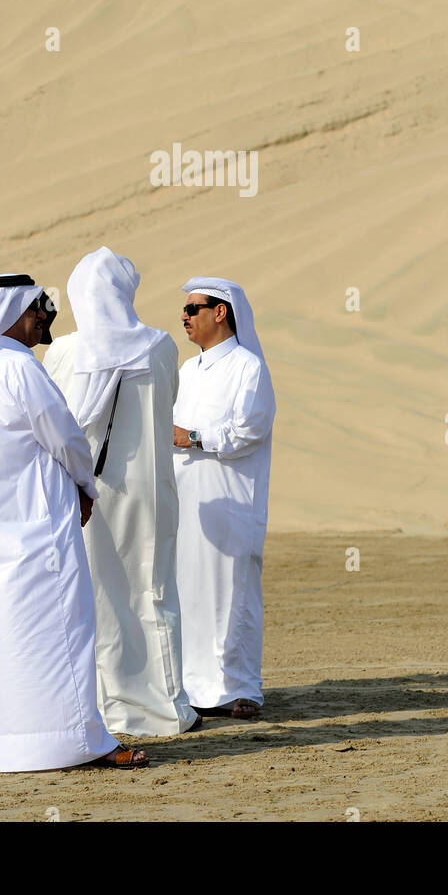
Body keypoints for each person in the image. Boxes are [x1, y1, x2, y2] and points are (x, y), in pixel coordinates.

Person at [0, 272, 147, 773]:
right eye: (39, 307)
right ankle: (79, 742)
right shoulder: (17, 368)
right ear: (14, 313)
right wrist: (87, 486)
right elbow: (65, 439)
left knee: (1, 635)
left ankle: (0, 746)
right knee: (61, 628)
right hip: (36, 528)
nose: (45, 316)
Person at [45, 247, 198, 737]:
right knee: (151, 591)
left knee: (94, 594)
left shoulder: (63, 351)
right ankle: (164, 706)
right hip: (148, 492)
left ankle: (102, 702)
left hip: (84, 492)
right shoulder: (160, 347)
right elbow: (167, 402)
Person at [172, 276, 276, 720]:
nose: (184, 317)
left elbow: (250, 430)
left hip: (232, 503)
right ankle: (194, 688)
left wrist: (193, 437)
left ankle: (240, 689)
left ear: (220, 312)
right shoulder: (187, 371)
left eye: (193, 309)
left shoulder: (248, 368)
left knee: (233, 595)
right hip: (188, 503)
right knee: (189, 593)